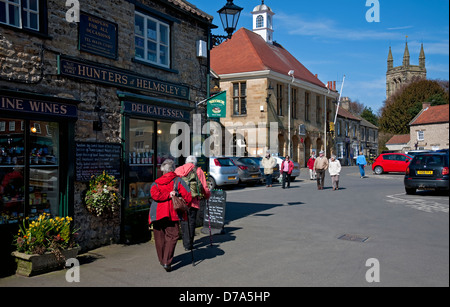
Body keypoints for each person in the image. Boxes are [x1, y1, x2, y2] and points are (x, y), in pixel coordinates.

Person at [149, 159, 192, 272]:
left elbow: (154, 195)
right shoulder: (178, 180)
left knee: (159, 237)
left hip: (156, 214)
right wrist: (174, 195)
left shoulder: (156, 183)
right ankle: (166, 261)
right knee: (172, 235)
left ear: (163, 170)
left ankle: (162, 259)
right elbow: (188, 196)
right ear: (173, 169)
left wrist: (166, 195)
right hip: (171, 213)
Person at [175, 156, 211, 251]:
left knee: (183, 221)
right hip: (193, 200)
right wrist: (207, 195)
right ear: (195, 163)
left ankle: (185, 242)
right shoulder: (198, 171)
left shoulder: (178, 170)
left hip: (181, 200)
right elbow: (204, 186)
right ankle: (189, 244)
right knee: (191, 221)